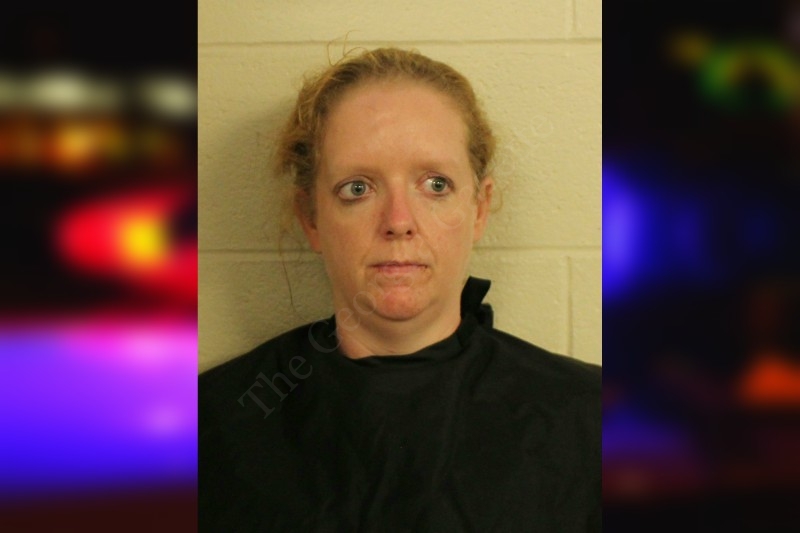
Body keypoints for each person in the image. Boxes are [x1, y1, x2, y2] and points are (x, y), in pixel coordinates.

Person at [199, 47, 601, 532]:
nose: (398, 222)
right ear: (311, 217)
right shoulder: (210, 428)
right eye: (357, 188)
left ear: (479, 209)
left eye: (435, 185)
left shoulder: (594, 421)